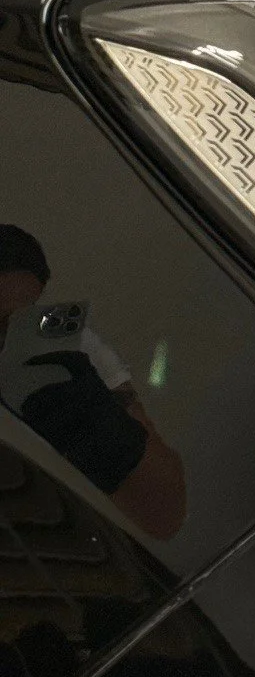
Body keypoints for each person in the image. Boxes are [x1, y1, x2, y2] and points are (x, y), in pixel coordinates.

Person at [0, 225, 186, 540]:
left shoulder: (62, 338)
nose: (9, 337)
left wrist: (103, 424)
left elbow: (165, 515)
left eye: (20, 321)